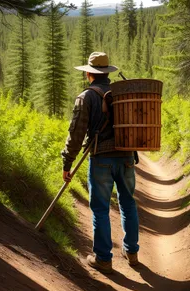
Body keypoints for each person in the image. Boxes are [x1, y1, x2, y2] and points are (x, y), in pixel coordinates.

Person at [61, 52, 139, 273]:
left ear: (89, 73)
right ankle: (132, 252)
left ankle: (104, 258)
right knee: (128, 203)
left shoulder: (86, 97)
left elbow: (76, 133)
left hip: (101, 160)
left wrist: (67, 163)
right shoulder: (122, 94)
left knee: (100, 209)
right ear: (107, 72)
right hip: (126, 158)